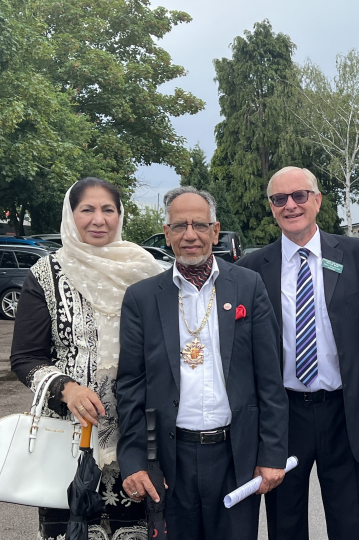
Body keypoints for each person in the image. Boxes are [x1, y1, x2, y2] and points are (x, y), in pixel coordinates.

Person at [116, 186, 289, 540]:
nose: (190, 235)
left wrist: (272, 452)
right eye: (180, 226)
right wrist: (133, 459)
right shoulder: (143, 298)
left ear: (215, 229)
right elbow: (131, 385)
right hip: (169, 458)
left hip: (234, 457)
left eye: (199, 225)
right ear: (166, 234)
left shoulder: (248, 285)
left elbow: (269, 377)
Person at [237, 167, 359, 540]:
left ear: (317, 200)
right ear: (271, 208)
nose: (291, 205)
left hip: (343, 411)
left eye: (300, 195)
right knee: (284, 523)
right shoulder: (251, 270)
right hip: (283, 416)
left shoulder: (355, 255)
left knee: (350, 521)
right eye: (279, 199)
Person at [10, 177, 163, 540]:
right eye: (87, 210)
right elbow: (25, 358)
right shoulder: (46, 275)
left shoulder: (146, 271)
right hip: (70, 438)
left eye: (108, 209)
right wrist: (67, 389)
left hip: (136, 438)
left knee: (136, 531)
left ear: (120, 214)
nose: (99, 219)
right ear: (70, 215)